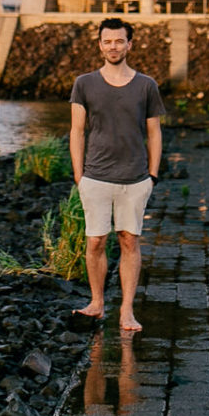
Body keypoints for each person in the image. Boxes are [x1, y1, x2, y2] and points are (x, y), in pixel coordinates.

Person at [68, 17, 165, 333]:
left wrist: (152, 175)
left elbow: (154, 132)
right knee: (95, 241)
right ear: (99, 45)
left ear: (129, 44)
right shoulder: (84, 83)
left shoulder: (146, 85)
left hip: (135, 179)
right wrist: (79, 175)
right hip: (95, 177)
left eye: (119, 41)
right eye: (107, 41)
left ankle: (126, 311)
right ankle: (96, 303)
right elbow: (77, 130)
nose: (113, 46)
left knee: (129, 241)